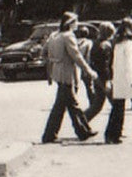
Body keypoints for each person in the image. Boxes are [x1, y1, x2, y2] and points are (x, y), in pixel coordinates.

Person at [41, 12, 97, 143]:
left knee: (63, 106)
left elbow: (43, 52)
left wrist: (54, 61)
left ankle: (52, 134)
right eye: (75, 22)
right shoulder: (68, 36)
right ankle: (82, 131)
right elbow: (76, 56)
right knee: (72, 105)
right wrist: (89, 71)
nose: (77, 24)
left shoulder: (54, 35)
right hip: (66, 73)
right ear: (70, 23)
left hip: (57, 72)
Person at [84, 22, 116, 124]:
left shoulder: (96, 43)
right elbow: (105, 65)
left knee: (97, 105)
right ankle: (116, 129)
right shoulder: (106, 45)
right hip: (105, 77)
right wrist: (108, 80)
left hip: (97, 76)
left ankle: (82, 121)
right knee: (116, 104)